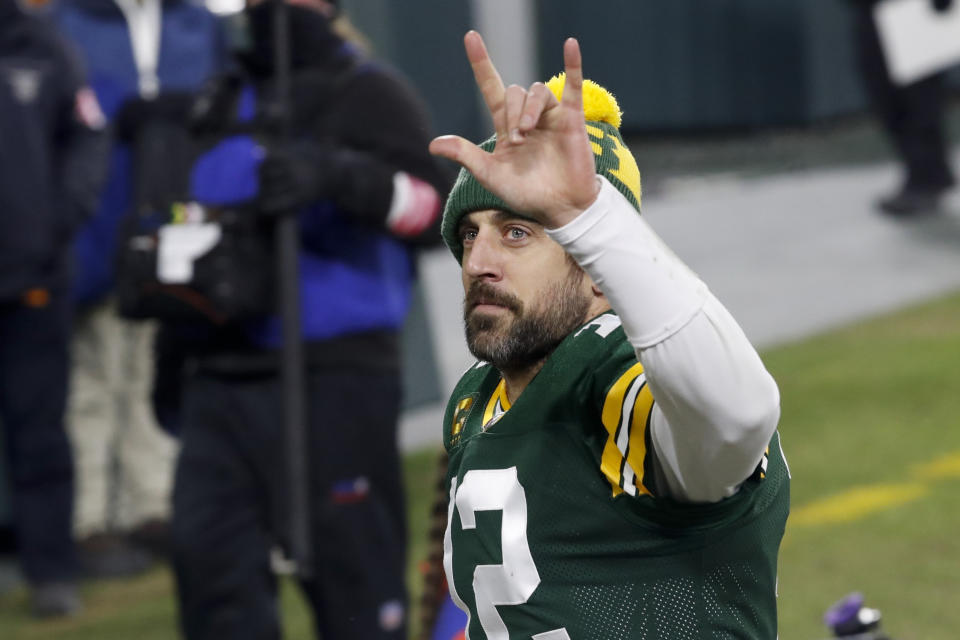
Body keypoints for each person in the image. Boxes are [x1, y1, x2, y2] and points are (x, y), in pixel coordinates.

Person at [428, 32, 789, 639]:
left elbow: (739, 416)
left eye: (518, 231)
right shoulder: (475, 399)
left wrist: (587, 216)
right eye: (470, 234)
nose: (478, 261)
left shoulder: (617, 379)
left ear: (598, 267)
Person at [167, 1, 450, 639]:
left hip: (335, 373)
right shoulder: (222, 97)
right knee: (213, 577)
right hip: (220, 373)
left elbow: (433, 211)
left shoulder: (369, 91)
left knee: (354, 582)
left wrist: (342, 179)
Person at [53, 0, 225, 574]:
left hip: (179, 230)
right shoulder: (66, 24)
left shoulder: (196, 23)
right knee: (93, 378)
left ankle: (152, 508)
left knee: (156, 369)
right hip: (93, 232)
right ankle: (89, 521)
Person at [0, 0, 108, 616]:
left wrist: (56, 222)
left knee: (38, 432)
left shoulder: (39, 43)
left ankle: (50, 572)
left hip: (33, 280)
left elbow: (87, 135)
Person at [849, 0, 957, 215]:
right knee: (886, 100)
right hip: (871, 11)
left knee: (919, 103)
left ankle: (926, 181)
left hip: (912, 11)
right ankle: (924, 175)